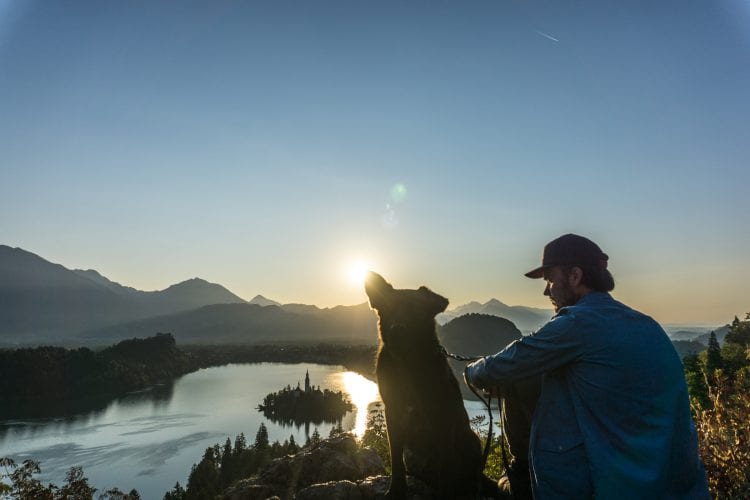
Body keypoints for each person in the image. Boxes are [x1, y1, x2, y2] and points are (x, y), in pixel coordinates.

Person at [465, 234, 710, 499]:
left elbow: (507, 364)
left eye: (550, 279)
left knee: (523, 378)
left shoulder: (579, 322)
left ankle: (519, 477)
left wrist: (472, 372)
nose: (546, 290)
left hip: (614, 488)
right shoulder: (647, 325)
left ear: (575, 276)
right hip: (677, 487)